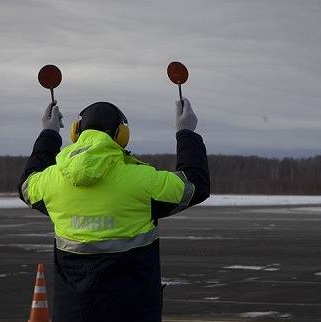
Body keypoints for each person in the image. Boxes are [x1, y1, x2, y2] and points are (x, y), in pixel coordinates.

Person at [18, 97, 210, 322]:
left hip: (72, 313)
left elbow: (26, 185)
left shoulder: (52, 182)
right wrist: (186, 132)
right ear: (121, 135)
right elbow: (194, 184)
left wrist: (48, 134)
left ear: (75, 132)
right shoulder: (142, 181)